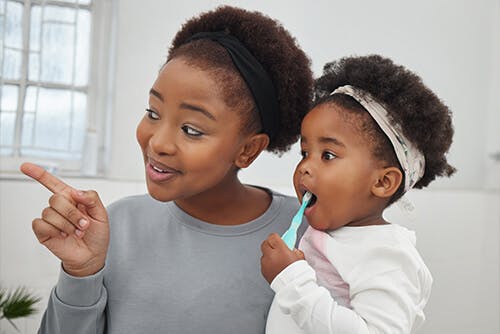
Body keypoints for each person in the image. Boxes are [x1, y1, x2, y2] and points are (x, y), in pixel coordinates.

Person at [21, 6, 313, 333]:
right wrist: (81, 272)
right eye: (153, 112)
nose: (158, 142)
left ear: (247, 150)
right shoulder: (115, 227)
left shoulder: (305, 236)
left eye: (191, 130)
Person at [260, 54, 455, 334]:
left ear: (383, 182)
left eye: (327, 155)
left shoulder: (388, 256)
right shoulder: (330, 232)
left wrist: (291, 280)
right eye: (304, 153)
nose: (304, 167)